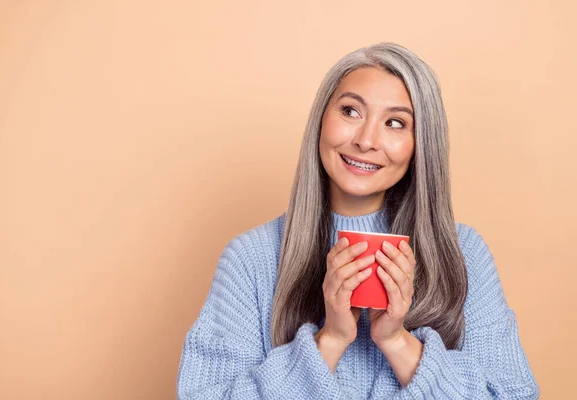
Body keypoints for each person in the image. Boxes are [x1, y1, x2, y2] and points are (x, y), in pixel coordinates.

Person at [177, 43, 539, 399]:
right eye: (351, 112)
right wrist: (330, 340)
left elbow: (513, 393)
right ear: (322, 119)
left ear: (419, 146)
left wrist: (397, 341)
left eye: (395, 123)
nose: (366, 140)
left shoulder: (464, 254)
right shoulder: (251, 259)